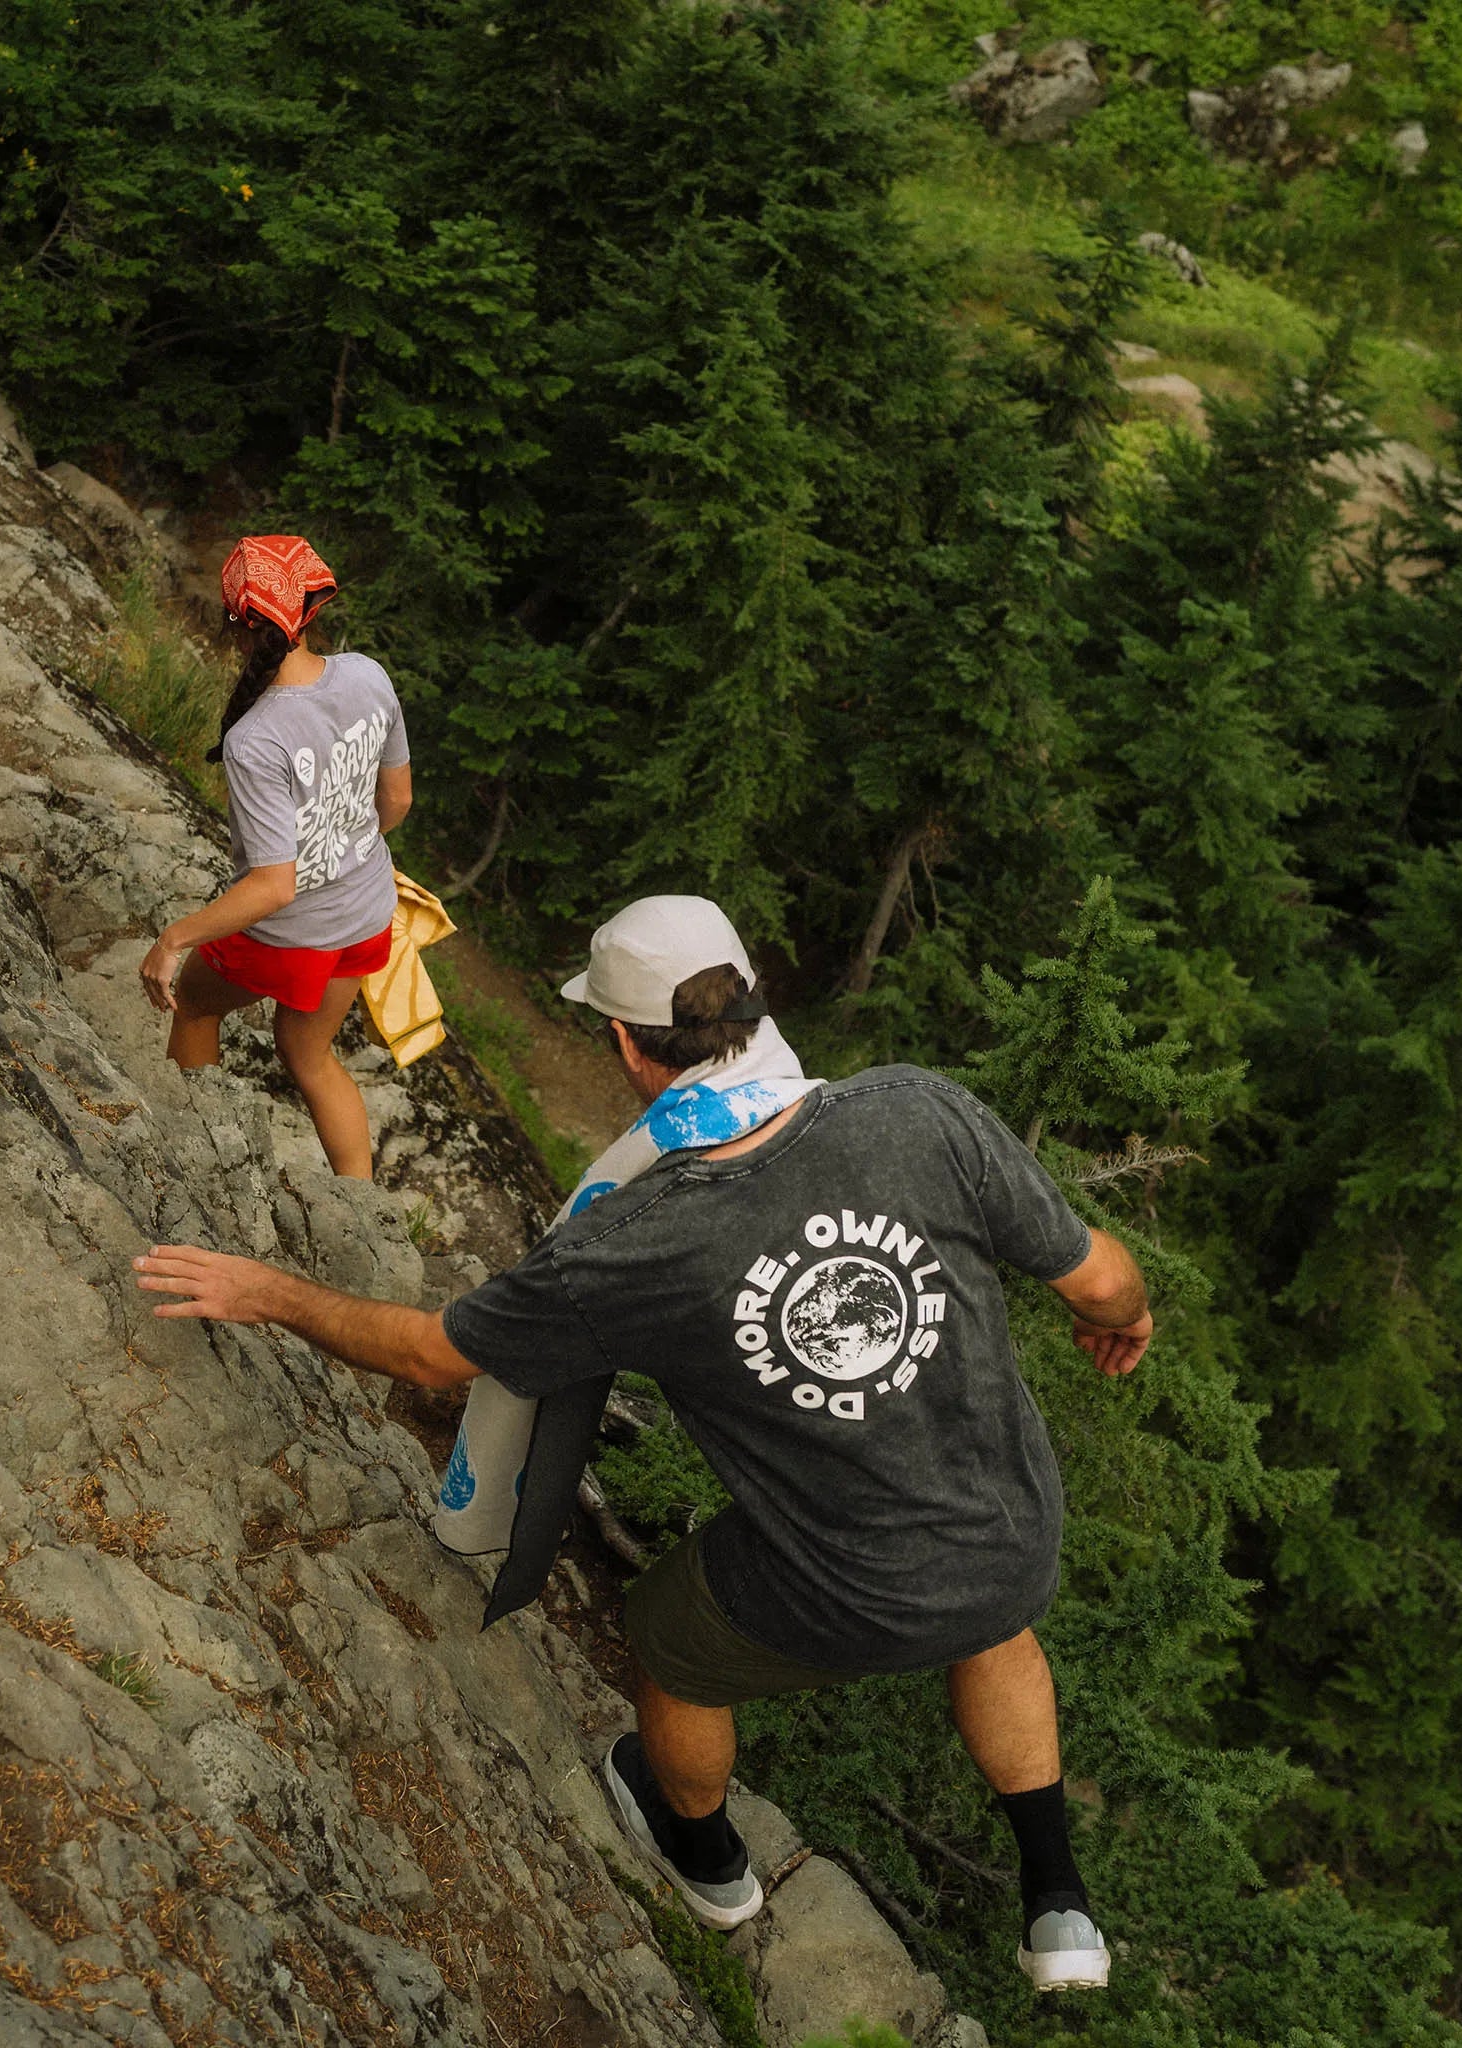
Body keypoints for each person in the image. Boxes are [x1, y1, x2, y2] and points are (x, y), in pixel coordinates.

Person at [133, 894, 1153, 1995]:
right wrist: (1120, 1317)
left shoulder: (632, 1238)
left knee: (667, 1638)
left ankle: (710, 1865)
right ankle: (1056, 1904)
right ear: (748, 995)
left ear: (623, 1041)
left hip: (848, 1578)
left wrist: (265, 1287)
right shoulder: (918, 1112)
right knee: (993, 1619)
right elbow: (1098, 1278)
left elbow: (433, 1354)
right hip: (1007, 1524)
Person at [140, 536, 413, 1180]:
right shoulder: (368, 675)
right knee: (308, 1055)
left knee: (197, 1005)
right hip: (368, 912)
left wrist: (172, 939)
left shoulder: (255, 738)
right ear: (310, 610)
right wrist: (347, 849)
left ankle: (199, 1164)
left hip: (293, 934)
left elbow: (272, 888)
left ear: (237, 624)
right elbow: (395, 801)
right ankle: (364, 1207)